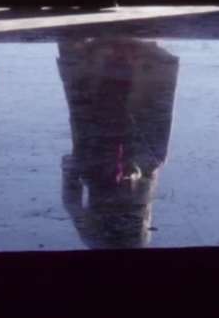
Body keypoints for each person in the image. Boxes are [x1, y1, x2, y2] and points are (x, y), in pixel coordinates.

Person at [58, 36, 180, 248]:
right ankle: (116, 56)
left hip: (110, 174)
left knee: (107, 112)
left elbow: (73, 205)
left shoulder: (104, 242)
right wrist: (71, 171)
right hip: (119, 173)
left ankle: (115, 56)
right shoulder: (122, 243)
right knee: (120, 114)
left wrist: (72, 171)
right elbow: (72, 204)